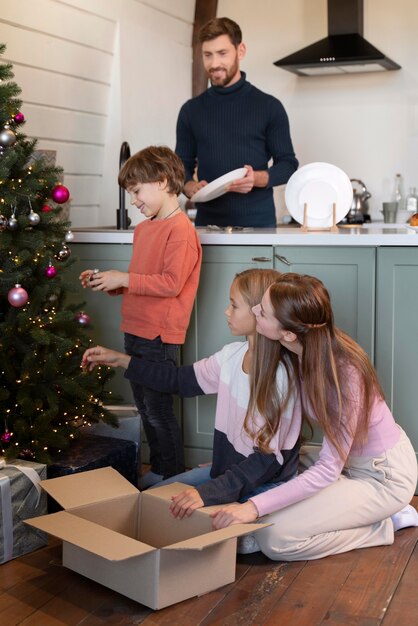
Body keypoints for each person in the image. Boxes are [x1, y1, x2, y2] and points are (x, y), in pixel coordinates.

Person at [210, 273, 418, 560]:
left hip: (381, 476)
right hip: (344, 460)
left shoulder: (344, 376)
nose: (256, 309)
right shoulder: (296, 351)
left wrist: (252, 508)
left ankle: (382, 524)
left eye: (263, 311)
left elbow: (327, 470)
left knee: (275, 537)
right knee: (270, 469)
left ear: (288, 333)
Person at [81, 268, 302, 520]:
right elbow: (178, 380)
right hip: (226, 475)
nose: (226, 312)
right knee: (151, 502)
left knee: (228, 537)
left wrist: (208, 493)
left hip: (263, 485)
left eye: (233, 305)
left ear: (259, 311)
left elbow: (264, 463)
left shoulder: (281, 378)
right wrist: (120, 360)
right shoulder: (231, 356)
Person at [79, 146, 202, 489]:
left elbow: (171, 283)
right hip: (135, 328)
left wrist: (124, 279)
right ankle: (162, 470)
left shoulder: (180, 231)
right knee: (145, 407)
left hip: (160, 334)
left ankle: (171, 474)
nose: (133, 200)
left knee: (159, 410)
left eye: (136, 191)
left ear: (162, 182)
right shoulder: (145, 229)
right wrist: (109, 282)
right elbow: (140, 278)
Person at [176, 17, 298, 228]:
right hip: (207, 229)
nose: (214, 64)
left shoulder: (269, 106)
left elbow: (288, 165)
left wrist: (257, 178)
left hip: (258, 227)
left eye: (222, 54)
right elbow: (179, 166)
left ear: (240, 51)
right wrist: (188, 185)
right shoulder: (190, 111)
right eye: (208, 55)